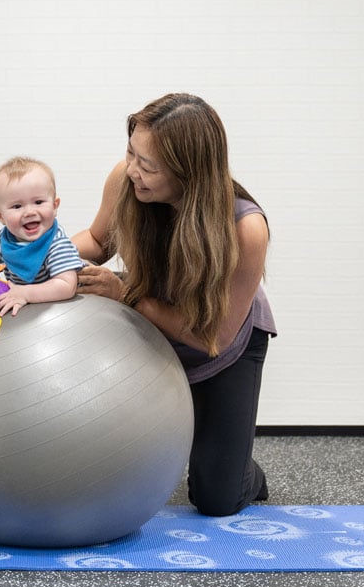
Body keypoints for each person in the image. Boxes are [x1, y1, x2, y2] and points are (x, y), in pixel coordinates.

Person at [72, 93, 277, 517]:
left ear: (189, 172)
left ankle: (241, 468)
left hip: (222, 344)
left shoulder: (245, 227)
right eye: (131, 153)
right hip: (150, 315)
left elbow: (215, 337)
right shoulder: (125, 180)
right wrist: (32, 257)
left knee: (217, 498)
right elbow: (96, 242)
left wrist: (126, 294)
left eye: (148, 166)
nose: (132, 170)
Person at [0, 156, 84, 317]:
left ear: (55, 206)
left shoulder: (57, 243)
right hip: (21, 316)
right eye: (17, 206)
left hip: (58, 314)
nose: (29, 212)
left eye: (38, 202)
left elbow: (66, 285)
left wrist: (25, 293)